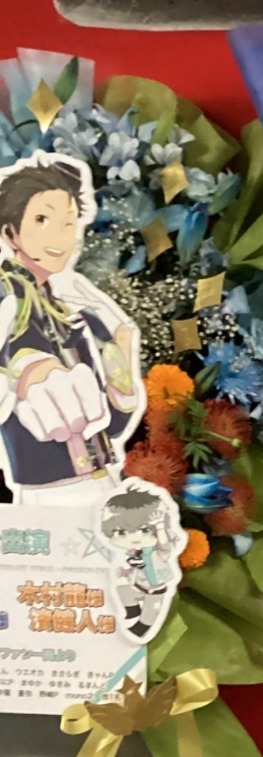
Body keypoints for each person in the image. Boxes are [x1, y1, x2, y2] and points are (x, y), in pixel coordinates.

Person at [0, 153, 141, 504]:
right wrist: (33, 372)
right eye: (42, 220)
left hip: (101, 477)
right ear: (10, 232)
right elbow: (17, 355)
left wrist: (121, 378)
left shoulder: (78, 314)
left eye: (68, 223)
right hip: (46, 489)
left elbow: (113, 426)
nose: (59, 237)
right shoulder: (6, 295)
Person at [100, 483, 183, 642]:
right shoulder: (134, 553)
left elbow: (165, 546)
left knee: (149, 614)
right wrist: (125, 572)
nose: (134, 538)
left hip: (156, 590)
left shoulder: (158, 552)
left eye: (145, 530)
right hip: (137, 586)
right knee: (122, 590)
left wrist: (160, 527)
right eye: (121, 532)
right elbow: (136, 568)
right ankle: (132, 612)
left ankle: (141, 628)